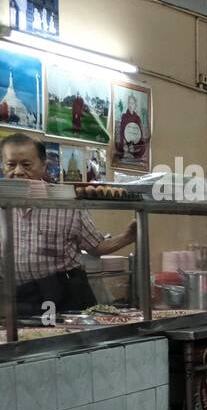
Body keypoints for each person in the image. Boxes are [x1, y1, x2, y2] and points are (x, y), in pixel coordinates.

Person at [1, 133, 136, 316]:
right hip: (18, 299)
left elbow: (95, 246)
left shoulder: (65, 203)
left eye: (26, 165)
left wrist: (127, 237)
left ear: (43, 166)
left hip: (64, 297)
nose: (17, 171)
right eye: (11, 164)